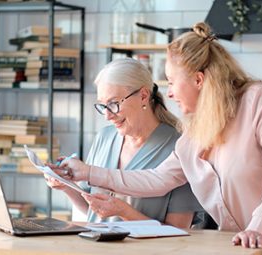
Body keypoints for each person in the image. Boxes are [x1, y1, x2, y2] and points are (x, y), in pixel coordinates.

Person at [59, 22, 262, 254]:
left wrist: (259, 225)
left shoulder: (260, 99)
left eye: (171, 81)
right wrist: (88, 173)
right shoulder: (193, 134)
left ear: (198, 80)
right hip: (252, 248)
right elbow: (157, 179)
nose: (168, 93)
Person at [46, 58, 210, 228]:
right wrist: (66, 185)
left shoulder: (180, 146)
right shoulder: (104, 137)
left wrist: (124, 212)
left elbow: (178, 232)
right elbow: (93, 210)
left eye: (114, 103)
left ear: (143, 96)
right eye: (103, 106)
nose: (107, 116)